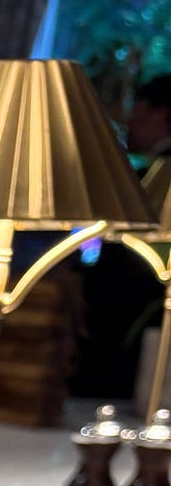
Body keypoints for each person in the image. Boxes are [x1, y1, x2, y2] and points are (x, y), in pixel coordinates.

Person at [73, 75, 171, 399]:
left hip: (128, 325)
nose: (129, 120)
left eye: (138, 110)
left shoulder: (153, 182)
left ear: (162, 113)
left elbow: (119, 267)